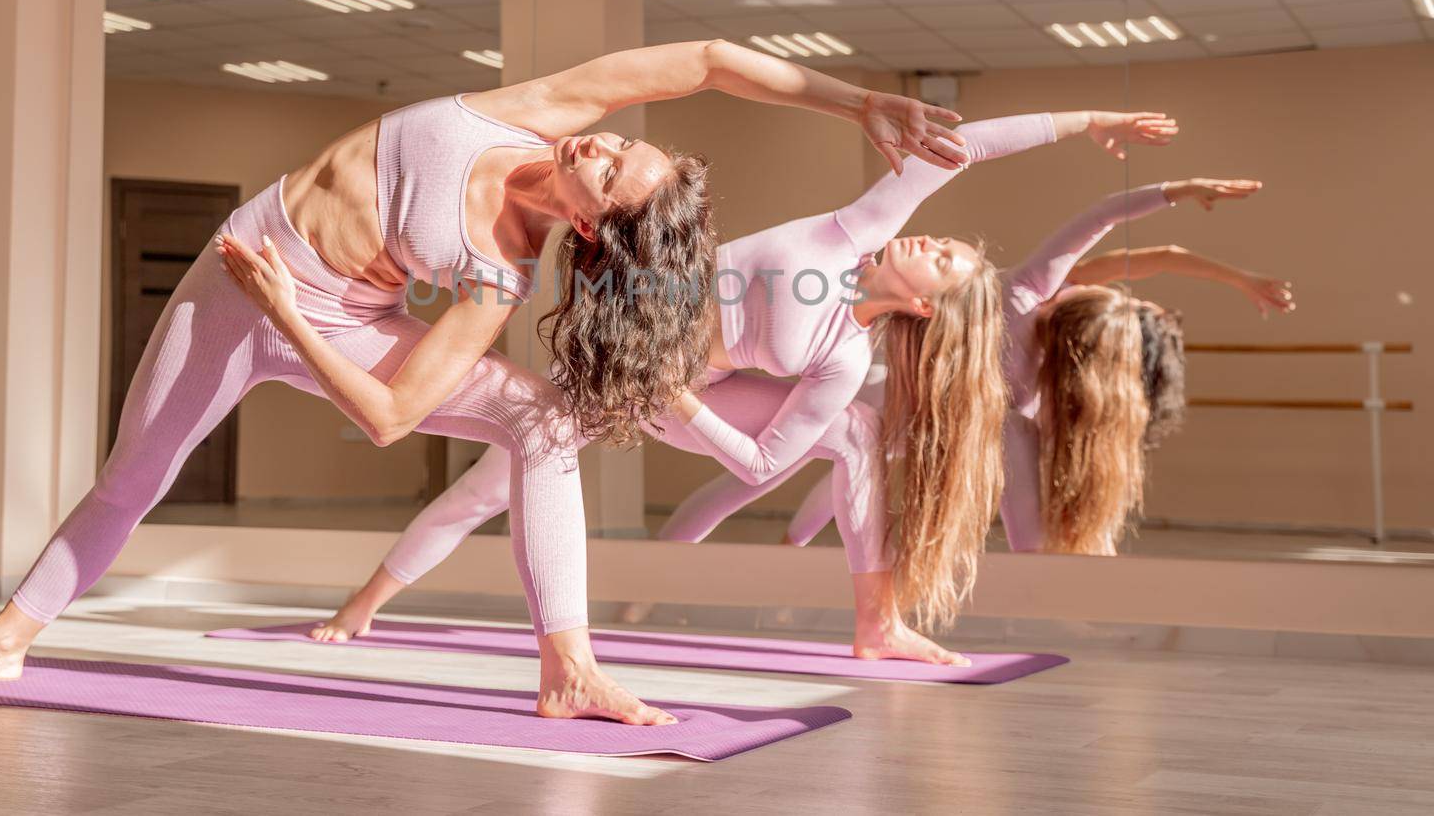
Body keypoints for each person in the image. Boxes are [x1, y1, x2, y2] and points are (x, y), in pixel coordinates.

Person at [0, 40, 967, 726]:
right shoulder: (524, 115)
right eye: (617, 145)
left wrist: (289, 319)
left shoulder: (497, 274)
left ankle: (568, 667)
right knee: (134, 475)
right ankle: (2, 640)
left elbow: (389, 416)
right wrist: (856, 98)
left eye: (610, 170)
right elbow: (705, 57)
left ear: (591, 222)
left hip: (313, 315)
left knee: (543, 423)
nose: (600, 144)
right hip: (237, 272)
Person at [288, 109, 1177, 665]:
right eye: (942, 239)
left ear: (929, 307)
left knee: (857, 436)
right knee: (486, 487)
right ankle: (366, 602)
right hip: (611, 355)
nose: (930, 240)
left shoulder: (835, 361)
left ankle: (877, 623)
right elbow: (962, 148)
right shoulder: (846, 233)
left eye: (942, 259)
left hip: (677, 396)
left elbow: (756, 463)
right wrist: (1084, 121)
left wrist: (680, 398)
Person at [774, 180, 1295, 557]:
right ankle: (790, 541)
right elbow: (1159, 252)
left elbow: (1150, 252)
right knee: (867, 449)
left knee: (876, 452)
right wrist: (1239, 278)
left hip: (966, 395)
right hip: (923, 370)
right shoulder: (1051, 287)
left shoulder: (1062, 353)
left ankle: (1064, 573)